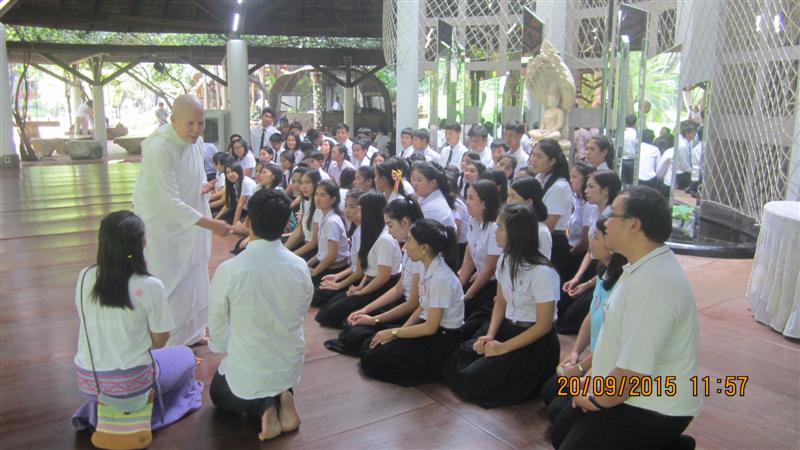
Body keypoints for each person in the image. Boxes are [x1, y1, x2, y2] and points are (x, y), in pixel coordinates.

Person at [559, 186, 700, 450]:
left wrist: (597, 400)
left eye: (612, 215)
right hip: (628, 393)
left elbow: (634, 370)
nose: (605, 222)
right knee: (561, 429)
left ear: (634, 225)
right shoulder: (640, 265)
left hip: (651, 406)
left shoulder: (653, 284)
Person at [71, 211, 203, 436]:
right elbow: (160, 341)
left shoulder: (85, 276)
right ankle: (145, 406)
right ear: (142, 242)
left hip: (88, 382)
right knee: (186, 355)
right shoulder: (149, 285)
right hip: (133, 384)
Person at [209, 189, 313, 442]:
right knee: (270, 367)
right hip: (289, 366)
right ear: (285, 225)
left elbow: (218, 326)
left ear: (248, 222)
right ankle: (284, 395)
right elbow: (301, 311)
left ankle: (264, 408)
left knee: (218, 392)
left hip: (250, 369)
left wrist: (230, 347)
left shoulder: (230, 270)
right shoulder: (300, 266)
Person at [132, 94, 232, 346]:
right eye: (190, 124)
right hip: (164, 225)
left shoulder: (196, 142)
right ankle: (170, 342)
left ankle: (192, 332)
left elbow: (194, 174)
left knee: (195, 273)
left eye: (200, 123)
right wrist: (212, 224)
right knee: (170, 279)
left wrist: (203, 187)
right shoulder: (160, 149)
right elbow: (168, 201)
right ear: (173, 120)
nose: (196, 129)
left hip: (192, 217)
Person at [443, 203, 560, 408]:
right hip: (508, 328)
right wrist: (490, 335)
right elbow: (500, 303)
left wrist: (503, 348)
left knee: (473, 380)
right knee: (455, 359)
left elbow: (544, 326)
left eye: (500, 228)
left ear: (516, 232)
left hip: (533, 341)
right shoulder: (505, 260)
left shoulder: (543, 272)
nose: (495, 232)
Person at [541, 218, 627, 448]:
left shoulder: (624, 284)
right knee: (550, 392)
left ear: (612, 245)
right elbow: (590, 316)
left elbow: (613, 342)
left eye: (596, 237)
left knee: (558, 414)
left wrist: (581, 369)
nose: (590, 241)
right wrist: (575, 353)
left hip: (608, 366)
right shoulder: (604, 273)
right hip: (592, 361)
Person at [360, 219, 464, 386]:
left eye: (409, 241)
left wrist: (394, 333)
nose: (404, 246)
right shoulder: (425, 266)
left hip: (442, 339)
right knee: (369, 344)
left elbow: (430, 327)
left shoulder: (441, 278)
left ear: (424, 248)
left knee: (373, 360)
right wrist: (399, 332)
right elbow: (422, 308)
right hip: (430, 328)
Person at [315, 192, 403, 328]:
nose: (356, 212)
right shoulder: (369, 234)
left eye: (360, 209)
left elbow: (383, 277)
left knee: (335, 318)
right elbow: (366, 269)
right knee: (326, 312)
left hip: (382, 287)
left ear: (370, 212)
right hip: (369, 282)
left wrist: (361, 292)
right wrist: (359, 287)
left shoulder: (384, 239)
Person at [560, 170, 620, 333]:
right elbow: (590, 250)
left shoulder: (611, 219)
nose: (586, 191)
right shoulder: (595, 211)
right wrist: (577, 277)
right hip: (593, 265)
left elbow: (611, 263)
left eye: (591, 186)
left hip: (605, 269)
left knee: (569, 322)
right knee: (563, 302)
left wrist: (586, 284)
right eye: (586, 186)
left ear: (605, 190)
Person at [458, 179, 503, 339]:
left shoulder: (494, 228)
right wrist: (459, 287)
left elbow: (490, 269)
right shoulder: (473, 222)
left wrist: (468, 294)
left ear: (484, 204)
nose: (466, 202)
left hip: (492, 285)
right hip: (478, 279)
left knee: (465, 323)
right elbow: (469, 260)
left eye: (471, 198)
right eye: (466, 197)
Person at [528, 139, 573, 292]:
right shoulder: (539, 179)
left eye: (539, 156)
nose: (533, 160)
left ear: (552, 161)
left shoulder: (560, 186)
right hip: (536, 238)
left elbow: (549, 225)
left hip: (552, 242)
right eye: (533, 155)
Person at [306, 180, 350, 284]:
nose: (317, 198)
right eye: (316, 194)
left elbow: (332, 255)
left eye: (322, 195)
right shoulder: (325, 216)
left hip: (334, 269)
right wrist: (306, 265)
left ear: (333, 199)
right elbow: (322, 252)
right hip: (326, 264)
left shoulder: (331, 222)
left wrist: (315, 272)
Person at [507, 176, 552, 259]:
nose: (508, 201)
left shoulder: (541, 232)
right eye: (508, 196)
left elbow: (542, 263)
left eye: (513, 197)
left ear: (528, 202)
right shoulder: (513, 223)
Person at [411, 161, 457, 229]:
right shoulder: (424, 195)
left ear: (433, 183)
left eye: (419, 180)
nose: (414, 184)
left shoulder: (432, 209)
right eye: (414, 179)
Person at [622, 115, 638, 185]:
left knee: (624, 182)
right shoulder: (636, 134)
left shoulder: (623, 133)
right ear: (635, 123)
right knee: (632, 182)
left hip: (623, 159)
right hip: (632, 160)